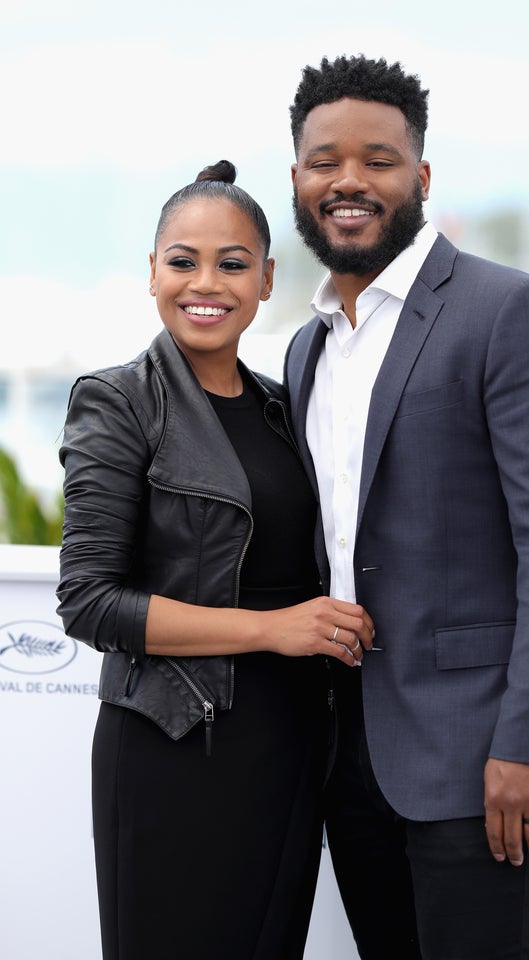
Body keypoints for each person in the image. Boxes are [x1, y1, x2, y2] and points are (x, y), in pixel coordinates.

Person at [284, 55, 529, 960]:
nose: (348, 180)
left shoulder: (509, 310)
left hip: (490, 760)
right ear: (297, 180)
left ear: (421, 177)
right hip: (353, 762)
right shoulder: (307, 348)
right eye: (324, 161)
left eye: (378, 159)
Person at [56, 160, 373, 960]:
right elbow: (92, 603)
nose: (208, 283)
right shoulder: (119, 400)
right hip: (173, 747)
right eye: (183, 261)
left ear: (267, 279)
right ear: (152, 272)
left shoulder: (283, 402)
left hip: (290, 746)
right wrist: (272, 631)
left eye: (233, 264)